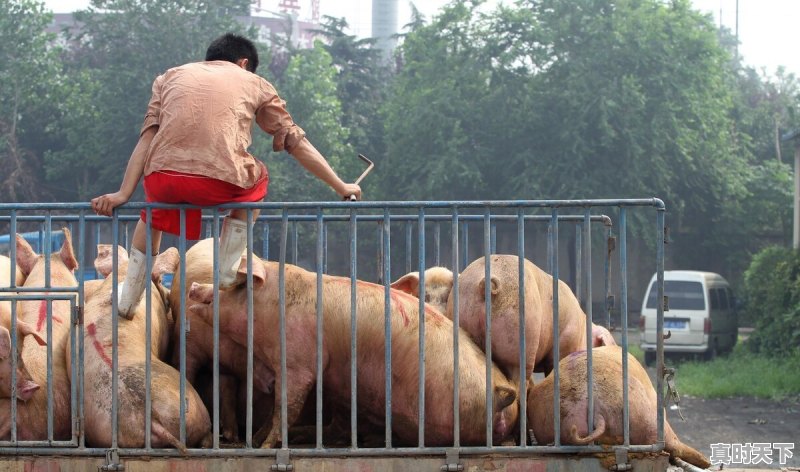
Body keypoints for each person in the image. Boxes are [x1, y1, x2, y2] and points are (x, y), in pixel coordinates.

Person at [91, 33, 361, 319]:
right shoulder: (255, 83)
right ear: (243, 63)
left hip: (162, 178)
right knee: (259, 178)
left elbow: (147, 140)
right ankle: (224, 277)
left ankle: (129, 298)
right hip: (220, 181)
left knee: (152, 212)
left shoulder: (168, 77)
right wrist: (341, 185)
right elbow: (296, 142)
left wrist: (122, 193)